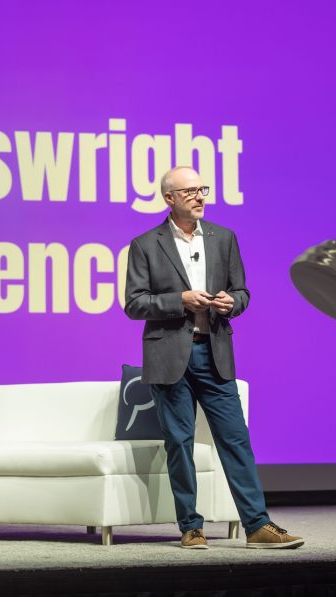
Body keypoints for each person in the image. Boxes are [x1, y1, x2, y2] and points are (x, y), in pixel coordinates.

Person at [124, 166, 303, 550]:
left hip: (214, 352)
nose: (199, 196)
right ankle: (191, 527)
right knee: (179, 443)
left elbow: (242, 292)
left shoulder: (224, 238)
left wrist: (230, 303)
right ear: (169, 198)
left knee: (236, 440)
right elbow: (134, 303)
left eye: (202, 189)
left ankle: (257, 525)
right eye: (189, 191)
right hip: (169, 355)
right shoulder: (146, 244)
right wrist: (180, 300)